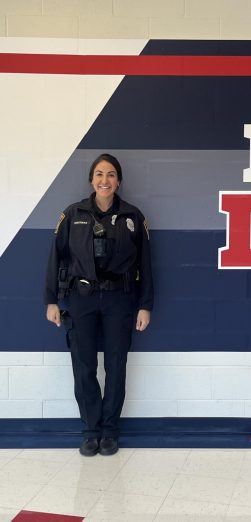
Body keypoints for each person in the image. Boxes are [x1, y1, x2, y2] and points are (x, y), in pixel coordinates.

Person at [44, 153, 153, 457]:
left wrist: (146, 305)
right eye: (99, 175)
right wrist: (51, 299)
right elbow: (56, 258)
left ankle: (110, 431)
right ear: (91, 179)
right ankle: (91, 430)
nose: (105, 181)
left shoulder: (132, 216)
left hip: (120, 299)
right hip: (82, 299)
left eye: (111, 175)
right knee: (84, 365)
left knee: (116, 365)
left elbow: (146, 264)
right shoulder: (73, 213)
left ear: (119, 181)